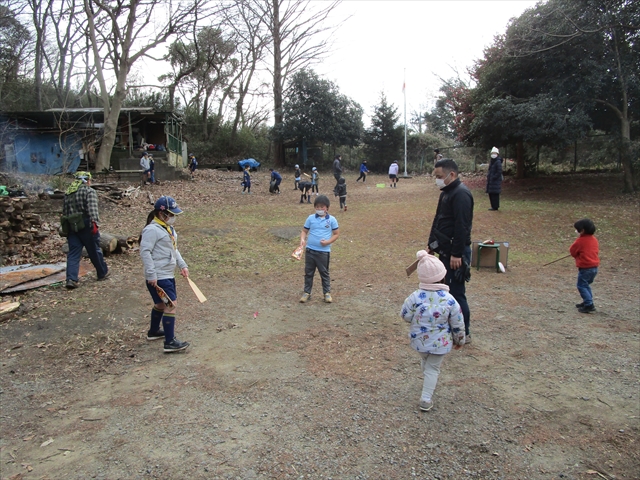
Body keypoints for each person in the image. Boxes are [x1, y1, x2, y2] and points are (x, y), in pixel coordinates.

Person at [401, 250, 465, 411]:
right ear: (443, 276)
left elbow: (405, 314)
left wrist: (417, 319)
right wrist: (460, 340)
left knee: (427, 363)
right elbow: (458, 323)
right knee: (432, 368)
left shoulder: (415, 296)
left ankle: (427, 385)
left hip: (419, 341)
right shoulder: (450, 300)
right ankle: (425, 398)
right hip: (440, 343)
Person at [428, 158, 474, 343]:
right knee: (444, 291)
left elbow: (462, 227)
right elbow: (438, 220)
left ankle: (465, 332)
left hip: (456, 254)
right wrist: (431, 244)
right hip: (443, 251)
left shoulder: (461, 194)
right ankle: (449, 326)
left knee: (456, 293)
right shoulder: (445, 193)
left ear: (451, 174)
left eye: (439, 176)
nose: (437, 180)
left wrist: (457, 254)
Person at [140, 196, 190, 353]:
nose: (173, 217)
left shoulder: (168, 229)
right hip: (159, 276)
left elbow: (173, 250)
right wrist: (151, 274)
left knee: (161, 304)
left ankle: (153, 332)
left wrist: (182, 265)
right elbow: (145, 252)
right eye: (171, 214)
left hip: (168, 274)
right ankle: (170, 342)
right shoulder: (151, 230)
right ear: (162, 214)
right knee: (171, 305)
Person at [63, 171, 109, 289]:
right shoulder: (89, 191)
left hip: (72, 226)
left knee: (73, 253)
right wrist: (94, 223)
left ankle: (71, 279)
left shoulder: (68, 193)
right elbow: (92, 209)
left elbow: (65, 212)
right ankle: (102, 272)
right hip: (86, 225)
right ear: (86, 180)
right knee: (94, 250)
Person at [298, 195, 340, 304]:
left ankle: (327, 293)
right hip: (310, 250)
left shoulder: (332, 220)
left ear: (327, 208)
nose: (320, 209)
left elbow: (336, 234)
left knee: (324, 273)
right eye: (317, 207)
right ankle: (307, 293)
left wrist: (328, 242)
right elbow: (304, 231)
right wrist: (302, 239)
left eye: (322, 207)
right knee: (308, 272)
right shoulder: (310, 218)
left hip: (323, 252)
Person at [569, 218, 599, 313]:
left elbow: (572, 251)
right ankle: (587, 301)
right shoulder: (594, 240)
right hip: (594, 267)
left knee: (581, 285)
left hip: (585, 268)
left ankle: (589, 304)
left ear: (582, 231)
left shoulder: (580, 241)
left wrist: (577, 255)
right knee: (585, 285)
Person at [486, 147, 503, 211]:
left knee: (495, 194)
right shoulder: (492, 161)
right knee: (491, 193)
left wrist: (494, 177)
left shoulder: (498, 162)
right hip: (491, 180)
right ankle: (493, 206)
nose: (493, 154)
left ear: (497, 154)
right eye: (492, 153)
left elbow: (499, 171)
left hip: (495, 181)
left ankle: (495, 206)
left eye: (494, 153)